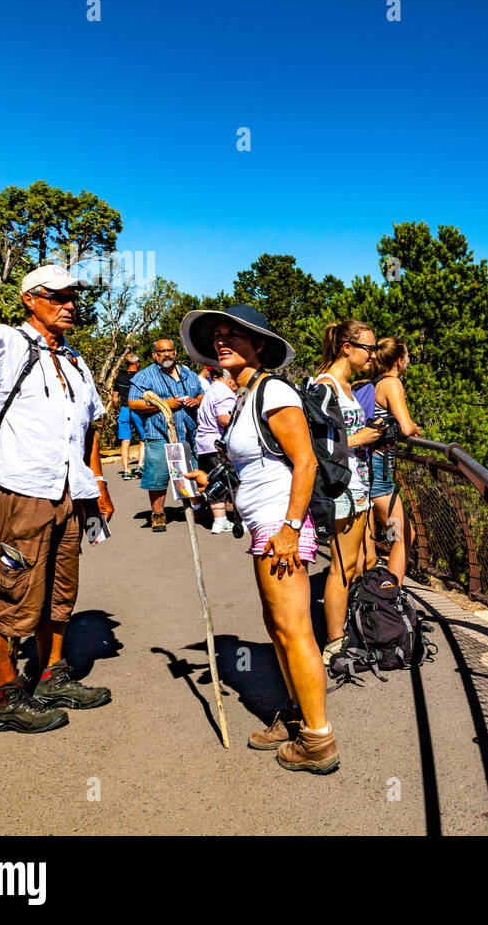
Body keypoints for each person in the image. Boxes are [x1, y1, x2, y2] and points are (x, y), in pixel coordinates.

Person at [0, 218, 114, 733]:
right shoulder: (7, 345)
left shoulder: (77, 362)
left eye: (73, 296)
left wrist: (97, 488)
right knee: (17, 594)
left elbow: (89, 431)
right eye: (57, 295)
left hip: (70, 493)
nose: (70, 304)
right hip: (23, 493)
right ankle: (7, 697)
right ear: (30, 299)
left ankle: (53, 675)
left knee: (61, 593)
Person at [181, 304, 339, 773]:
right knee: (277, 626)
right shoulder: (247, 397)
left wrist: (290, 530)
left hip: (279, 526)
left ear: (261, 347)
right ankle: (294, 716)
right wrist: (206, 479)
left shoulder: (273, 391)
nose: (222, 342)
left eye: (234, 336)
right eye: (218, 336)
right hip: (265, 524)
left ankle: (318, 739)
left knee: (294, 630)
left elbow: (304, 462)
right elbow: (257, 465)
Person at [312, 320, 382, 665]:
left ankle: (346, 629)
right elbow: (315, 446)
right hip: (341, 487)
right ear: (347, 348)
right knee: (342, 567)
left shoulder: (346, 385)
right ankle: (334, 643)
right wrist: (361, 438)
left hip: (357, 485)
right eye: (368, 348)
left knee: (354, 564)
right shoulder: (325, 387)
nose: (373, 354)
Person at [359, 339, 422, 586]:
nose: (408, 361)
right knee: (403, 535)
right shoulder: (391, 383)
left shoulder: (367, 384)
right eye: (406, 357)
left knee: (368, 542)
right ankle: (390, 599)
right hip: (379, 475)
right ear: (398, 360)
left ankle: (365, 601)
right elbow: (406, 427)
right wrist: (415, 427)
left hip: (365, 471)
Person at [128, 338, 205, 532]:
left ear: (175, 352)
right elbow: (133, 404)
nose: (167, 354)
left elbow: (202, 394)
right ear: (154, 354)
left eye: (170, 350)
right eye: (162, 351)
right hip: (159, 433)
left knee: (189, 472)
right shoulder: (145, 376)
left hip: (186, 433)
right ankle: (158, 514)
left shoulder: (188, 374)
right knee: (158, 476)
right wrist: (163, 404)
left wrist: (196, 401)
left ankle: (195, 508)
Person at [195, 369, 240, 534]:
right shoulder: (225, 393)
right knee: (229, 482)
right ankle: (236, 520)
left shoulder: (212, 389)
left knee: (214, 482)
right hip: (217, 444)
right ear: (231, 378)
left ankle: (219, 520)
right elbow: (224, 419)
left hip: (204, 443)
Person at [112, 353, 146, 480]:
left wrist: (117, 411)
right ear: (136, 363)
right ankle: (140, 465)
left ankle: (126, 471)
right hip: (137, 408)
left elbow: (115, 399)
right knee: (143, 438)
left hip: (124, 409)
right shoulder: (140, 377)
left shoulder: (120, 378)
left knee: (125, 441)